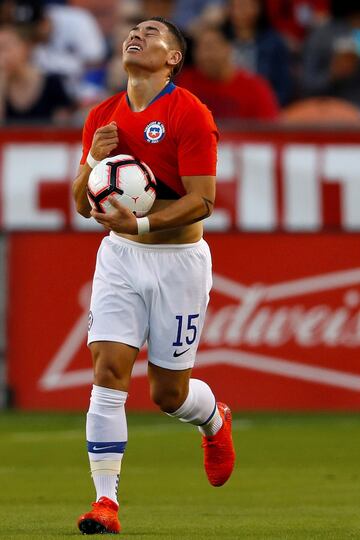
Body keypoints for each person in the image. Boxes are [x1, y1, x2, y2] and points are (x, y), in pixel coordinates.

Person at [72, 16, 235, 535]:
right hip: (120, 254)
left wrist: (141, 219)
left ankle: (214, 420)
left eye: (152, 31)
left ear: (173, 58)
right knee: (108, 372)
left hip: (179, 263)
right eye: (133, 29)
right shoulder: (102, 115)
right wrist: (89, 163)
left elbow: (202, 200)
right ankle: (105, 503)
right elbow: (81, 204)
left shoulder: (189, 112)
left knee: (168, 394)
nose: (136, 35)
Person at [177, 25, 279, 121]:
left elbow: (269, 130)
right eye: (199, 48)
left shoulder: (255, 88)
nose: (204, 55)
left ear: (228, 48)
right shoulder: (185, 84)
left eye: (210, 47)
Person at [222, 0, 292, 105]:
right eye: (234, 6)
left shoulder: (274, 43)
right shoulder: (220, 39)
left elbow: (283, 86)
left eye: (244, 5)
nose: (238, 10)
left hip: (262, 108)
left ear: (258, 8)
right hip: (226, 105)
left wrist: (268, 105)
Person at [0, 25, 73, 124]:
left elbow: (64, 127)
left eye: (5, 48)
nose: (2, 56)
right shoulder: (3, 86)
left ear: (25, 47)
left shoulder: (52, 83)